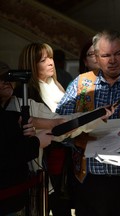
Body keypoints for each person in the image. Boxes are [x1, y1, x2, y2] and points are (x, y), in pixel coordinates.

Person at [56, 29, 120, 216]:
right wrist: (78, 139)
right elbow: (59, 126)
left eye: (117, 54)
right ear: (95, 56)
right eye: (106, 55)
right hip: (90, 180)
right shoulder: (80, 84)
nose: (113, 60)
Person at [0, 60, 114, 215]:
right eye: (1, 78)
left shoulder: (27, 104)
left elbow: (62, 124)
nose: (6, 82)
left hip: (26, 193)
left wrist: (96, 116)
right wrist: (36, 140)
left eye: (8, 77)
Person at [17, 42, 74, 216]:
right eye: (43, 60)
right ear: (31, 65)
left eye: (50, 57)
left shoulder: (56, 86)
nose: (50, 62)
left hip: (64, 155)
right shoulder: (27, 92)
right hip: (43, 157)